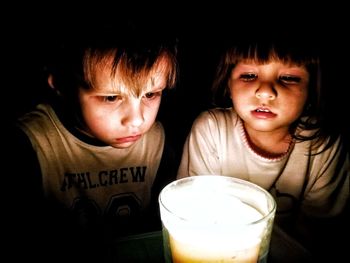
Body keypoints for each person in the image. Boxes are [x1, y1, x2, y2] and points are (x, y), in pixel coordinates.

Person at [6, 21, 179, 262]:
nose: (137, 120)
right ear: (61, 85)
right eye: (111, 97)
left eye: (150, 94)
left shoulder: (158, 143)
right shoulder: (32, 145)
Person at [177, 35, 349, 262]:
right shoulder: (212, 130)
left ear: (311, 89)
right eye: (249, 76)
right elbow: (191, 215)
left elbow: (317, 235)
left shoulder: (322, 146)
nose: (265, 91)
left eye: (288, 78)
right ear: (229, 84)